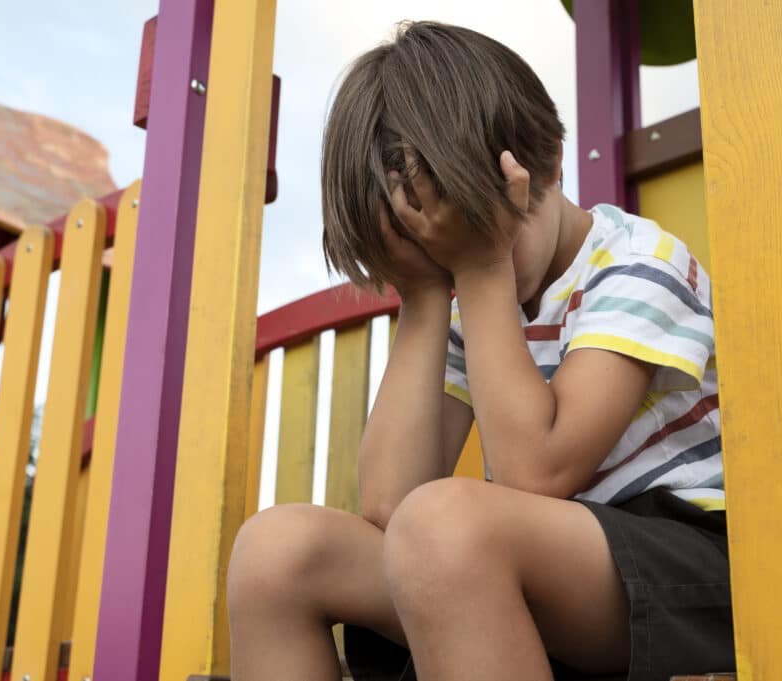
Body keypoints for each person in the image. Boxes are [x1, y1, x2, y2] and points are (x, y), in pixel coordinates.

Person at [226, 20, 734, 681]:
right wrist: (425, 295)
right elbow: (388, 502)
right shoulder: (469, 300)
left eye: (478, 231)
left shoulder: (637, 266)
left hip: (691, 576)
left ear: (547, 163)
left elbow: (538, 475)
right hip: (535, 576)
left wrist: (481, 267)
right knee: (277, 550)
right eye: (433, 250)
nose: (462, 261)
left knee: (446, 524)